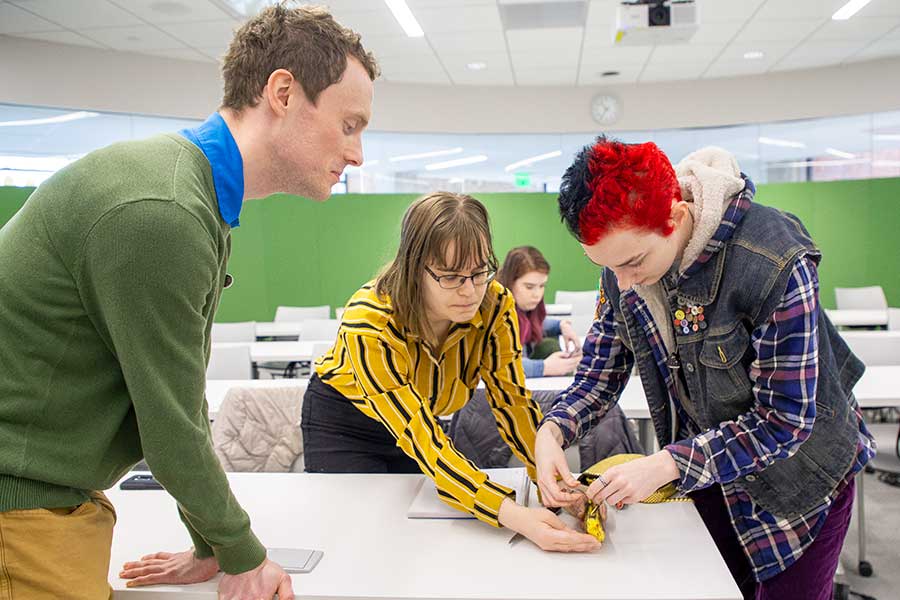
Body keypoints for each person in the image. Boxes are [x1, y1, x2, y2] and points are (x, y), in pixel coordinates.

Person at [0, 5, 377, 599]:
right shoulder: (164, 213)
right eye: (350, 124)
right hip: (18, 509)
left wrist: (211, 545)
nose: (358, 154)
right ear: (282, 92)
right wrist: (241, 555)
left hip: (49, 495)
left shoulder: (184, 192)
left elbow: (168, 404)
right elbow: (171, 427)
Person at [534, 138, 874, 599]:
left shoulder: (774, 260)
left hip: (800, 488)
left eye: (632, 263)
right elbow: (599, 374)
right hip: (710, 478)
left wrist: (665, 464)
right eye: (606, 266)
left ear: (674, 218)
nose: (622, 282)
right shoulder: (624, 267)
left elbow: (786, 420)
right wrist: (552, 431)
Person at [302, 191, 599, 552]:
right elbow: (424, 443)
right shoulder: (369, 323)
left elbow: (514, 407)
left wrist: (551, 482)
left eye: (478, 273)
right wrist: (515, 515)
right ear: (414, 267)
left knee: (418, 538)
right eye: (450, 276)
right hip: (346, 425)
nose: (470, 291)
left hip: (419, 419)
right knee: (358, 538)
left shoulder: (495, 304)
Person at [497, 245, 581, 377]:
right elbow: (498, 364)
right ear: (510, 282)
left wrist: (562, 325)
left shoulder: (523, 306)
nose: (537, 294)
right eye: (529, 287)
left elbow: (538, 324)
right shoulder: (495, 311)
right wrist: (544, 367)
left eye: (542, 286)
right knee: (549, 347)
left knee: (548, 345)